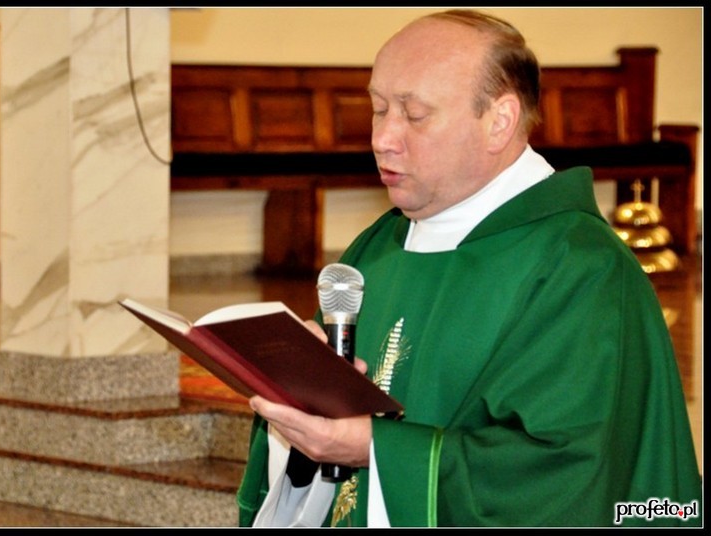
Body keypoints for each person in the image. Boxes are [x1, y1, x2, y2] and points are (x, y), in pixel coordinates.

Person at [236, 9, 702, 527]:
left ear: (499, 122)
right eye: (378, 109)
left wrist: (376, 449)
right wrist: (304, 387)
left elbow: (568, 476)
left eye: (414, 115)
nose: (383, 138)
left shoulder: (580, 269)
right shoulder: (380, 247)